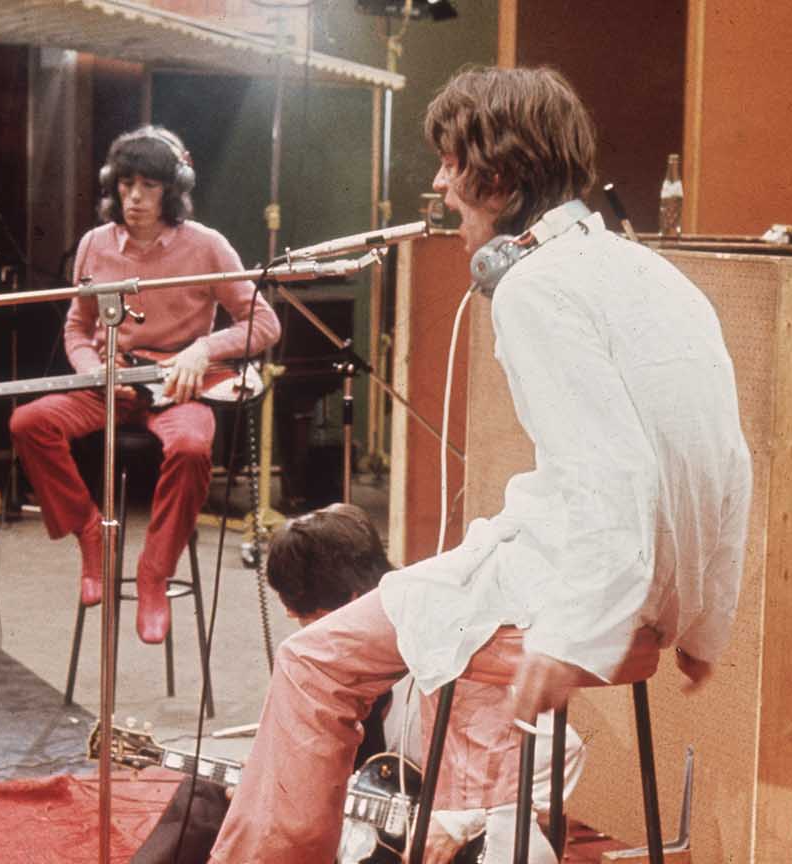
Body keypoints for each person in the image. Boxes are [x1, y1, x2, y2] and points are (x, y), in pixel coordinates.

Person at [210, 66, 752, 864]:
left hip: (567, 603)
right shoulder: (651, 275)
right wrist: (702, 622)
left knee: (311, 662)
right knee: (416, 605)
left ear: (496, 177)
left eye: (450, 163)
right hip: (641, 605)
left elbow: (612, 475)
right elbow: (724, 466)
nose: (437, 182)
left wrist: (571, 638)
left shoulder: (536, 288)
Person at [132, 503, 581, 864]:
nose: (312, 637)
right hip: (359, 825)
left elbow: (565, 747)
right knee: (206, 794)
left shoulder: (441, 647)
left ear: (354, 602)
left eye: (313, 620)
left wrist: (457, 821)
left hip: (433, 843)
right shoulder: (326, 661)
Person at [10, 125, 280, 644]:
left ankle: (155, 574)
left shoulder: (207, 246)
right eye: (126, 183)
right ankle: (90, 536)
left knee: (193, 448)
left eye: (149, 186)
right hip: (110, 384)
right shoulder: (94, 246)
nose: (134, 197)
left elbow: (264, 325)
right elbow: (77, 328)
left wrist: (202, 350)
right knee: (29, 422)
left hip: (178, 389)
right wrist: (94, 370)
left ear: (172, 190)